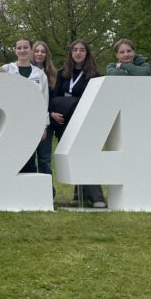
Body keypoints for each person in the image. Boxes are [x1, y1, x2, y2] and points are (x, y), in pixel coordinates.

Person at [51, 39, 105, 208]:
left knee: (85, 156)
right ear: (71, 53)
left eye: (82, 50)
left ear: (87, 53)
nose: (78, 53)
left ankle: (96, 196)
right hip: (64, 122)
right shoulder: (62, 73)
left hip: (84, 122)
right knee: (74, 157)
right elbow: (53, 97)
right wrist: (53, 113)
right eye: (75, 49)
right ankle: (80, 193)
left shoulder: (95, 75)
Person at [2, 38, 50, 174]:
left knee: (28, 159)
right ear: (15, 50)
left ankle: (29, 191)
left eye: (25, 48)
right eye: (19, 48)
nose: (22, 50)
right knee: (12, 158)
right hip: (10, 122)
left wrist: (43, 126)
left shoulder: (40, 75)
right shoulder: (7, 69)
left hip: (31, 123)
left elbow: (44, 101)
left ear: (31, 50)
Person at [32, 41, 58, 181]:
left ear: (47, 54)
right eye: (37, 51)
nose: (39, 54)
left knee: (44, 158)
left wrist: (51, 113)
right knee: (28, 158)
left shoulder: (53, 75)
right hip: (28, 121)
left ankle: (48, 192)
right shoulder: (25, 71)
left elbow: (53, 98)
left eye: (43, 51)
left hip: (45, 122)